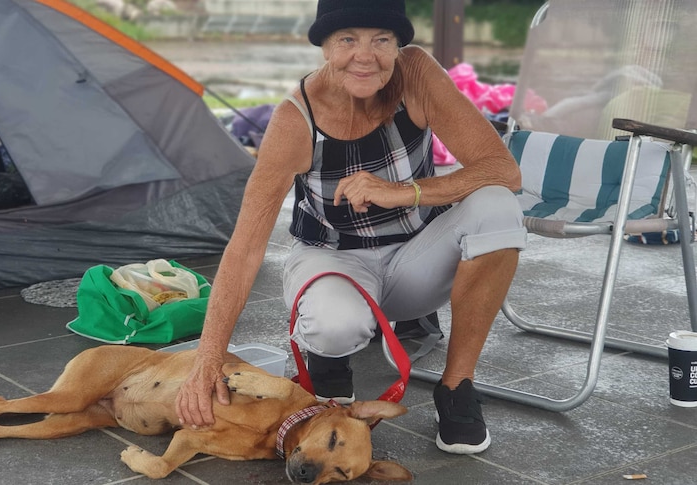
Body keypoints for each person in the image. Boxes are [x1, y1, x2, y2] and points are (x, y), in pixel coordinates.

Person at [176, 0, 526, 455]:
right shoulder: (293, 119)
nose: (365, 56)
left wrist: (404, 192)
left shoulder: (416, 73)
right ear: (324, 47)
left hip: (417, 255)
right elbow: (244, 248)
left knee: (497, 206)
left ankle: (457, 386)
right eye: (347, 40)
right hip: (334, 257)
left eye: (381, 40)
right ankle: (328, 360)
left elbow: (504, 170)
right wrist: (207, 361)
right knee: (334, 325)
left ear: (399, 45)